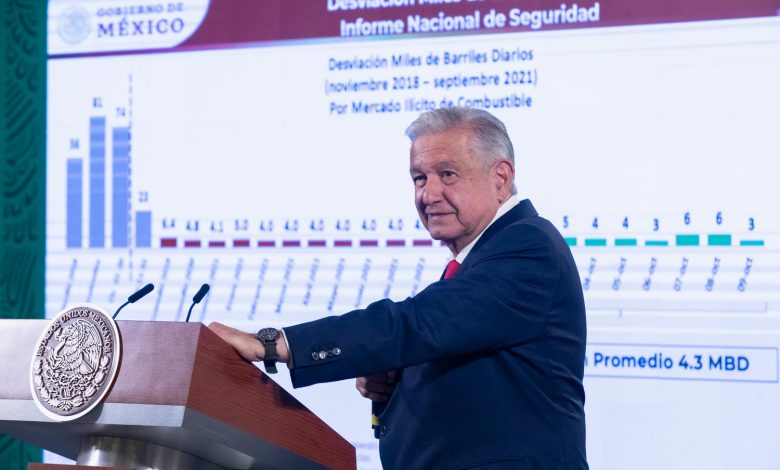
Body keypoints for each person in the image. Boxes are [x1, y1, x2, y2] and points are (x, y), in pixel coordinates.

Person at [209, 107, 588, 469]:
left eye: (448, 174)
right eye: (419, 178)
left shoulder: (528, 246)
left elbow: (420, 324)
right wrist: (398, 378)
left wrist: (275, 344)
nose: (429, 194)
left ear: (500, 178)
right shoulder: (477, 260)